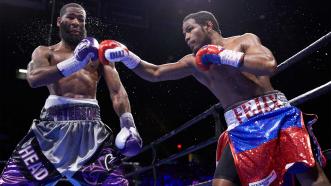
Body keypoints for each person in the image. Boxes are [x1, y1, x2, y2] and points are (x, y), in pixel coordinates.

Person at [97, 11, 330, 186]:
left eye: (190, 29)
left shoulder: (244, 40)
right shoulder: (193, 62)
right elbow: (155, 73)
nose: (187, 37)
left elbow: (269, 65)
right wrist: (127, 56)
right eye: (184, 33)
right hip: (240, 129)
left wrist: (222, 56)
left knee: (309, 175)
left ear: (208, 25)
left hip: (276, 116)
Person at [0, 3, 142, 185]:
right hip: (49, 133)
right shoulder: (44, 51)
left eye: (81, 19)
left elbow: (117, 91)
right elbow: (34, 79)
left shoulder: (99, 55)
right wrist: (76, 62)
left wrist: (127, 123)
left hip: (92, 135)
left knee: (116, 183)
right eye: (71, 17)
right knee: (11, 182)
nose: (76, 22)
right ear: (59, 21)